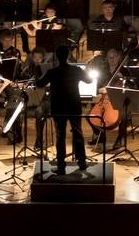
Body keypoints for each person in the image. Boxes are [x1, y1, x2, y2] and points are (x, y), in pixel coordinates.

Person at [34, 45, 94, 174]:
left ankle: (61, 165)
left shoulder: (52, 72)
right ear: (68, 56)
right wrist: (87, 71)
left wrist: (37, 70)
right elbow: (89, 81)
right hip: (74, 106)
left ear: (56, 56)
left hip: (58, 107)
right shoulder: (76, 70)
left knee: (60, 136)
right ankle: (82, 162)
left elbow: (39, 84)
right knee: (78, 134)